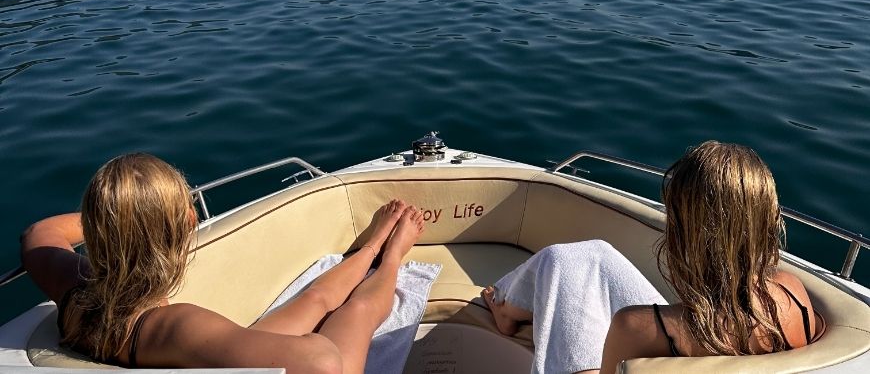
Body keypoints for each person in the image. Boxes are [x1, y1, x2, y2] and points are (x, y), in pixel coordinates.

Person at [20, 153, 426, 373]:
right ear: (172, 236)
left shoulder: (74, 289)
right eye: (184, 211)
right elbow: (323, 364)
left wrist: (120, 219)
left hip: (174, 355)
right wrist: (310, 342)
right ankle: (390, 256)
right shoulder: (173, 325)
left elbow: (38, 233)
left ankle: (369, 249)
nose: (194, 216)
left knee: (318, 298)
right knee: (354, 311)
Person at [481, 141, 817, 374]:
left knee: (560, 262)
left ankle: (506, 307)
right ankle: (512, 305)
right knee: (591, 254)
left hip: (674, 340)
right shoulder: (792, 296)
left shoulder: (637, 329)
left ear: (685, 233)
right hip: (701, 333)